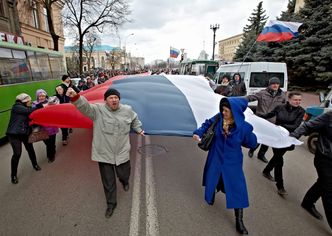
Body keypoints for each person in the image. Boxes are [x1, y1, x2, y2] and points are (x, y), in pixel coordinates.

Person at [66, 87, 144, 219]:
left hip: (122, 151)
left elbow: (135, 119)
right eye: (111, 98)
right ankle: (111, 204)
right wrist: (75, 97)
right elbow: (84, 107)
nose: (114, 100)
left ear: (119, 99)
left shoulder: (127, 110)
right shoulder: (97, 110)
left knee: (124, 174)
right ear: (105, 100)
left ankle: (124, 181)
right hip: (104, 152)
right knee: (108, 181)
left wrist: (138, 129)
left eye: (116, 98)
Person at [193, 97, 257, 234]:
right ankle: (212, 194)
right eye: (222, 109)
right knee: (213, 178)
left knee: (237, 189)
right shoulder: (218, 119)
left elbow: (251, 144)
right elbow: (207, 124)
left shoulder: (244, 128)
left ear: (235, 112)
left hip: (232, 163)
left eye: (226, 111)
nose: (223, 112)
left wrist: (250, 133)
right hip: (215, 156)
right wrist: (198, 132)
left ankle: (239, 220)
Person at [290, 111, 332, 230]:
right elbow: (307, 126)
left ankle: (307, 203)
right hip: (325, 158)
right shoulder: (329, 116)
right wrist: (292, 138)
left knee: (323, 183)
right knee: (329, 190)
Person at [260, 92, 305, 195]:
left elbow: (296, 126)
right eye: (295, 99)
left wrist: (281, 126)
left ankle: (266, 171)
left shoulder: (301, 111)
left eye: (299, 100)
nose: (297, 102)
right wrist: (259, 117)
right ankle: (280, 186)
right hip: (277, 136)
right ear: (289, 99)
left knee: (277, 157)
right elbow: (270, 114)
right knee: (279, 160)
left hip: (288, 138)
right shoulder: (280, 107)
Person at [6, 93, 44, 184]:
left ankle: (35, 164)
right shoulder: (17, 106)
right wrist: (40, 104)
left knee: (30, 149)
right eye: (29, 101)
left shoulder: (25, 108)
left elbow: (31, 115)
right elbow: (29, 111)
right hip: (14, 134)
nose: (30, 102)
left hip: (25, 133)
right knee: (17, 154)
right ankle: (13, 175)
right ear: (24, 100)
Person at [246, 77, 286, 163]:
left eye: (277, 84)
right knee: (257, 137)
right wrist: (241, 100)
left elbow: (285, 107)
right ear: (269, 84)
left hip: (272, 121)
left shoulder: (282, 95)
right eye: (273, 83)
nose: (275, 85)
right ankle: (252, 149)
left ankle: (261, 154)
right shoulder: (262, 93)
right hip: (260, 120)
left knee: (268, 139)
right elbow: (251, 97)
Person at [32, 89, 59, 163]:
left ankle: (51, 156)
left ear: (45, 96)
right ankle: (52, 150)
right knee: (47, 143)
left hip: (52, 126)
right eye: (40, 96)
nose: (41, 97)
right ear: (37, 96)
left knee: (51, 142)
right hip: (41, 127)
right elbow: (32, 112)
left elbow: (56, 110)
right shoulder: (34, 104)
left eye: (43, 96)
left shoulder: (51, 102)